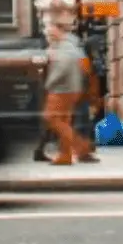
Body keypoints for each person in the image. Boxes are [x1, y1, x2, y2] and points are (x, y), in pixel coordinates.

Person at [42, 16, 96, 167]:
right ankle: (65, 155)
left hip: (62, 89)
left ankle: (80, 146)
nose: (49, 32)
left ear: (59, 30)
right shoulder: (68, 44)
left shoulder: (65, 46)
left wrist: (49, 83)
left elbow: (63, 67)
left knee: (51, 118)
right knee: (64, 120)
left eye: (51, 28)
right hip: (71, 89)